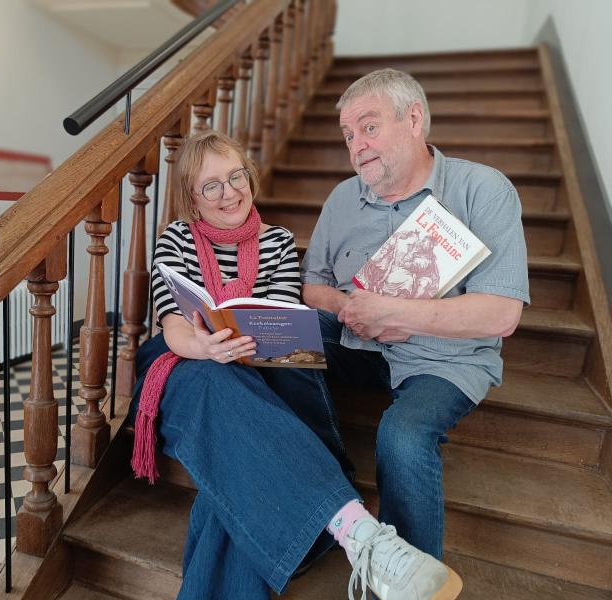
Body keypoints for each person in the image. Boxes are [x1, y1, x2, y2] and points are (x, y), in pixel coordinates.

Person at [129, 130, 463, 600]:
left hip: (256, 369)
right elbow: (172, 325)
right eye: (212, 186)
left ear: (250, 177)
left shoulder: (279, 242)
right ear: (191, 196)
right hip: (186, 364)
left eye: (236, 176)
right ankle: (356, 528)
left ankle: (350, 529)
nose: (229, 193)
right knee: (214, 381)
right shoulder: (176, 239)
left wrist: (251, 343)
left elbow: (282, 320)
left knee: (236, 460)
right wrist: (206, 348)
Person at [301, 68, 530, 564]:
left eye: (368, 126)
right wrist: (350, 307)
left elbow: (503, 313)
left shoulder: (484, 190)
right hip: (357, 342)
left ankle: (410, 578)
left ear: (414, 119)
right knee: (284, 342)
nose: (356, 145)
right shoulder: (343, 198)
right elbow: (312, 287)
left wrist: (400, 313)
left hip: (442, 361)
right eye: (347, 135)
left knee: (401, 435)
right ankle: (319, 496)